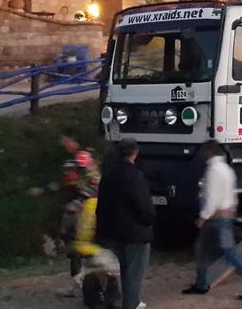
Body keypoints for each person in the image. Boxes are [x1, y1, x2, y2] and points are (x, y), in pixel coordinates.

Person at [182, 140, 242, 301]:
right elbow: (231, 194)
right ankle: (203, 283)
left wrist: (203, 217)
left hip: (214, 218)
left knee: (213, 252)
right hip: (226, 215)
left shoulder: (212, 171)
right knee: (216, 251)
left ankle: (204, 284)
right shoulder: (227, 169)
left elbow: (211, 199)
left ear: (209, 152)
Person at [28, 128, 101, 298]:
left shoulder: (83, 158)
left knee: (78, 247)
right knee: (73, 247)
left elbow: (95, 183)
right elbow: (63, 183)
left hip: (84, 210)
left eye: (66, 140)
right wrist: (42, 191)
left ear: (74, 141)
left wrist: (77, 203)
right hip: (74, 209)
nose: (63, 143)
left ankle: (89, 286)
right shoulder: (72, 160)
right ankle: (80, 284)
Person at [95, 139, 155, 309]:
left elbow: (102, 205)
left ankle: (131, 300)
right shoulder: (135, 175)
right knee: (135, 271)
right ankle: (131, 303)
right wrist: (150, 220)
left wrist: (102, 230)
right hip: (135, 230)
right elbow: (143, 204)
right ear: (135, 153)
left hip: (114, 230)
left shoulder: (108, 174)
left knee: (124, 269)